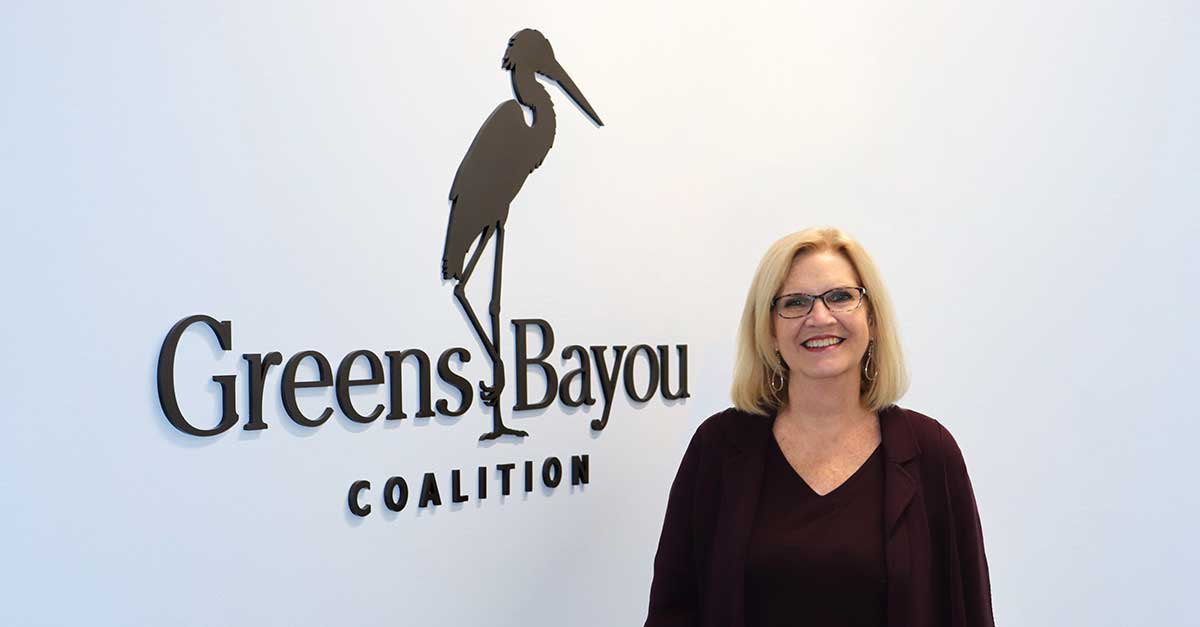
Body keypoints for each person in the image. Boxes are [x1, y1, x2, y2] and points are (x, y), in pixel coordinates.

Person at [644, 227, 994, 627]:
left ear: (872, 319)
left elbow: (968, 612)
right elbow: (672, 611)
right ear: (769, 331)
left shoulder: (931, 451)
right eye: (795, 303)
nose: (820, 317)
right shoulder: (718, 448)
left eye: (841, 297)